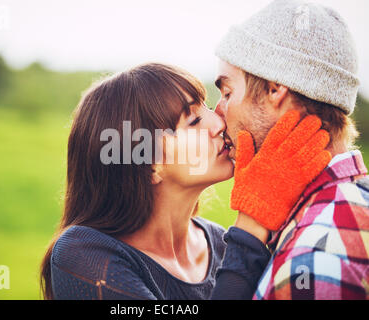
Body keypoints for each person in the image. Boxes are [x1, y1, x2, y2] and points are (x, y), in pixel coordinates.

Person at [40, 62, 330, 299]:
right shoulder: (83, 255)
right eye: (193, 121)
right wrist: (252, 222)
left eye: (207, 108)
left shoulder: (224, 245)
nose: (218, 123)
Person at [212, 0, 369, 300]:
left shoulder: (315, 260)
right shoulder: (350, 202)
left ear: (275, 89)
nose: (218, 113)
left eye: (228, 93)